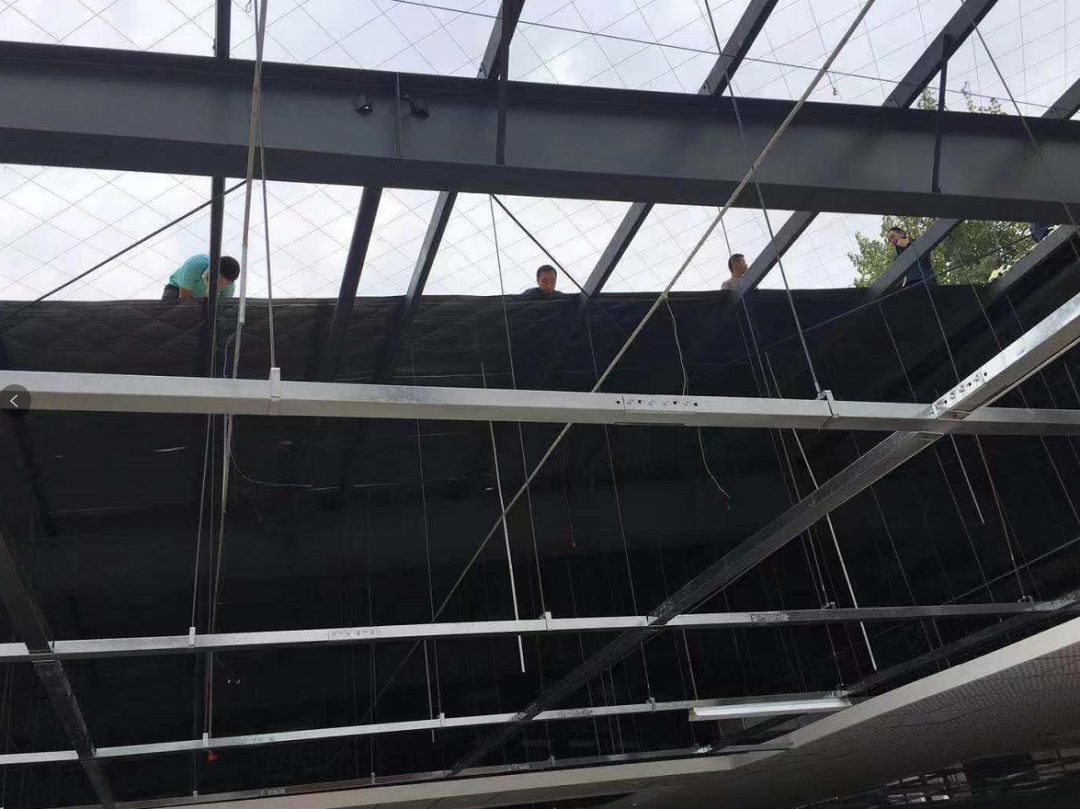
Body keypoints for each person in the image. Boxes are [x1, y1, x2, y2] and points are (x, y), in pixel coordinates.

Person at [163, 254, 240, 300]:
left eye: (226, 284)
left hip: (202, 298)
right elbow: (184, 299)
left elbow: (222, 308)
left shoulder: (230, 287)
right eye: (219, 280)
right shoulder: (194, 265)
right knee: (167, 310)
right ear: (212, 269)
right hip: (177, 288)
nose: (221, 286)